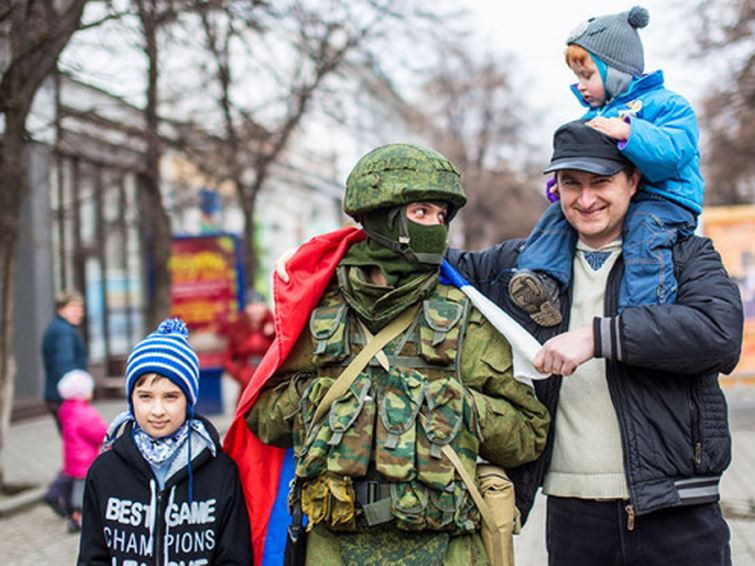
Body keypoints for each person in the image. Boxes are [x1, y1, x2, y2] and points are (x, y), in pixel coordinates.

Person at [227, 143, 550, 565]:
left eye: (441, 216)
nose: (435, 226)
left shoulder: (461, 317)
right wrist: (322, 403)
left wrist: (459, 409)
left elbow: (528, 435)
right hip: (334, 547)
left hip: (443, 550)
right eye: (421, 213)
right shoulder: (321, 314)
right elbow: (261, 417)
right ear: (382, 216)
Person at [447, 120, 743, 566]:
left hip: (677, 511)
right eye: (571, 184)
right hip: (572, 515)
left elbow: (718, 333)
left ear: (633, 181)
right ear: (556, 188)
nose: (586, 200)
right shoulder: (524, 265)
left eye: (601, 182)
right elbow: (439, 265)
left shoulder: (684, 255)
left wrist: (598, 337)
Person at [511, 6, 703, 328]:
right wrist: (564, 184)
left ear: (615, 70)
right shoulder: (598, 115)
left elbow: (675, 152)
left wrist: (630, 132)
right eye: (577, 77)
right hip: (627, 197)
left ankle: (642, 313)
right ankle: (542, 281)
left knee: (644, 234)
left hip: (665, 199)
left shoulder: (668, 105)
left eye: (587, 75)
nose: (581, 86)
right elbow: (577, 158)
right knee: (558, 215)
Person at [77, 318, 252, 565]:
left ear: (189, 400)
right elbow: (92, 558)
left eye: (171, 397)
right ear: (131, 400)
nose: (157, 410)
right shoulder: (105, 471)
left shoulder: (221, 471)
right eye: (146, 397)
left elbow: (234, 557)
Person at [41, 290, 87, 516]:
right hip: (67, 401)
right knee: (79, 448)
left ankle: (62, 497)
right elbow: (66, 366)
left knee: (74, 447)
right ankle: (57, 493)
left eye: (80, 308)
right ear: (61, 309)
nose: (79, 312)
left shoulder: (56, 329)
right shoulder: (64, 333)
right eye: (74, 308)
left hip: (58, 399)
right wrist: (79, 394)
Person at [56, 369, 108, 533]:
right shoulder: (85, 413)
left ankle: (75, 515)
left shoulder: (66, 409)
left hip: (73, 458)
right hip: (85, 460)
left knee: (77, 488)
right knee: (84, 490)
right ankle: (79, 517)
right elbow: (99, 432)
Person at [223, 290, 275, 406]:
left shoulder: (274, 324)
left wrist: (272, 333)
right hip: (247, 382)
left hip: (270, 381)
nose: (255, 310)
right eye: (252, 306)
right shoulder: (239, 326)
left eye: (259, 305)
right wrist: (240, 374)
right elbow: (228, 358)